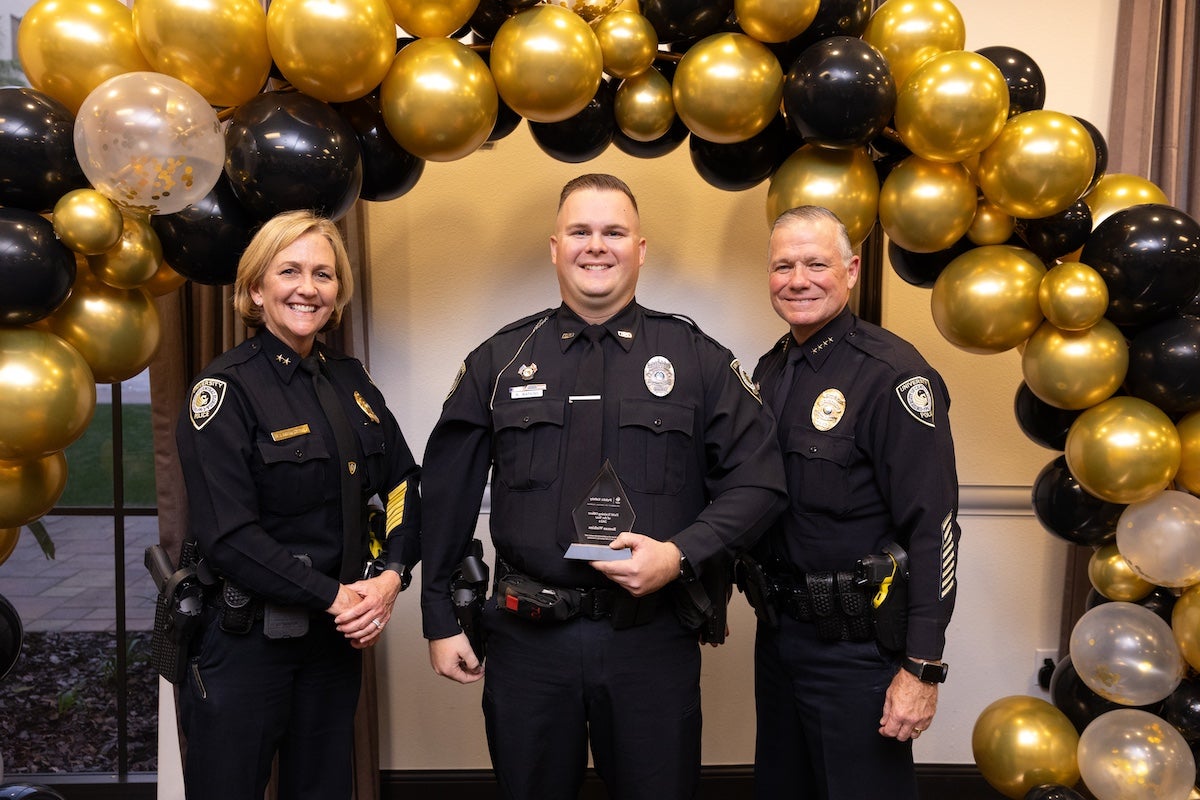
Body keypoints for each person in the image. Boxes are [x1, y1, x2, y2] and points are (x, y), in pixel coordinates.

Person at [420, 173, 786, 799]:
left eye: (614, 232)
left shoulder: (696, 358)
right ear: (555, 247)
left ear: (640, 248)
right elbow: (446, 495)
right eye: (581, 232)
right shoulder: (501, 360)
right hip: (528, 641)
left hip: (649, 640)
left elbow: (761, 483)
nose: (597, 246)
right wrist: (438, 618)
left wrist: (679, 554)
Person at [174, 210, 421, 800]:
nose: (308, 288)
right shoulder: (225, 390)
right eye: (289, 271)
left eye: (323, 274)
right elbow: (228, 536)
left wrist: (390, 576)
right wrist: (339, 596)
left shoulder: (350, 379)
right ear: (256, 289)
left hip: (332, 645)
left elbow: (403, 485)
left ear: (338, 292)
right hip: (244, 645)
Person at [748, 206, 961, 799]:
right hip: (782, 638)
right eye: (782, 266)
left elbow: (934, 528)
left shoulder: (892, 376)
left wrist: (922, 668)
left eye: (816, 264)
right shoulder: (771, 372)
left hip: (859, 651)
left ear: (850, 269)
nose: (798, 279)